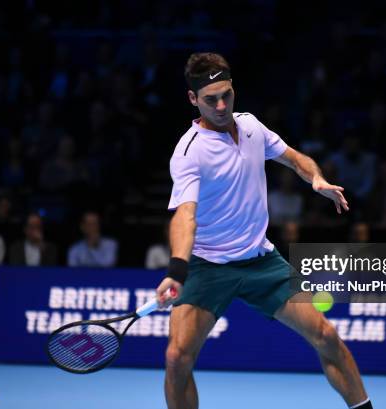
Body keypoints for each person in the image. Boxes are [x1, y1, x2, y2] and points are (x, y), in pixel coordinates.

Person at [155, 53, 372, 409]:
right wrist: (178, 268)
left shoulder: (252, 126)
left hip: (261, 262)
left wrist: (315, 178)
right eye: (211, 99)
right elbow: (185, 216)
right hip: (208, 267)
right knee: (177, 358)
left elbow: (293, 157)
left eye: (227, 94)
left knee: (326, 336)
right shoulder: (189, 153)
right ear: (193, 99)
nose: (222, 105)